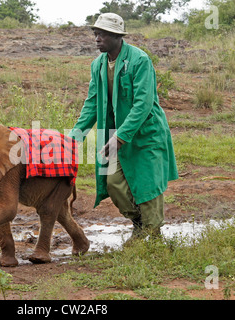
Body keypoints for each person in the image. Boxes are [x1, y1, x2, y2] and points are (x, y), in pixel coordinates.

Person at [68, 13, 178, 240]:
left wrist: (120, 137)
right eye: (96, 34)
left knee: (147, 185)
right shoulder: (98, 65)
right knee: (113, 183)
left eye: (103, 34)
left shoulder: (139, 60)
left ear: (118, 36)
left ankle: (153, 237)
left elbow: (143, 103)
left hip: (145, 134)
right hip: (116, 134)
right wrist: (73, 138)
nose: (97, 38)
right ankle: (141, 225)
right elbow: (92, 104)